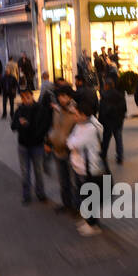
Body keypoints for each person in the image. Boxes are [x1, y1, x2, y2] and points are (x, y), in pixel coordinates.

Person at [69, 95, 105, 236]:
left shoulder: (90, 128)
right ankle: (89, 221)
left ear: (84, 115)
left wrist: (72, 142)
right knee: (86, 196)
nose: (75, 117)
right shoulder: (82, 125)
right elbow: (71, 139)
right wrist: (72, 141)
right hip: (82, 167)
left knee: (90, 197)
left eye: (77, 115)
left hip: (90, 168)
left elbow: (73, 143)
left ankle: (93, 225)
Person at [45, 82, 83, 213]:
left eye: (65, 96)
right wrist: (49, 141)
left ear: (70, 97)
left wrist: (70, 145)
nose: (62, 99)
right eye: (60, 96)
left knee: (74, 182)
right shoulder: (57, 110)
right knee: (63, 181)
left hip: (70, 152)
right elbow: (55, 128)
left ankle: (76, 207)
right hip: (57, 150)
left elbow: (80, 131)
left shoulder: (76, 112)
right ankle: (66, 204)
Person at [12, 83, 49, 204]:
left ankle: (40, 193)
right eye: (23, 97)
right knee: (24, 172)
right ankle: (26, 195)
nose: (25, 100)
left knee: (38, 171)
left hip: (36, 145)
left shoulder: (40, 109)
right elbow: (13, 126)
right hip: (23, 146)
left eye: (27, 97)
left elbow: (43, 127)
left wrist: (27, 126)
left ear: (32, 96)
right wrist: (20, 124)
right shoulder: (20, 110)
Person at [98, 73, 126, 166]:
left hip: (108, 122)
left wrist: (100, 121)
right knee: (118, 139)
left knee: (106, 139)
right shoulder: (119, 95)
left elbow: (102, 110)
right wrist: (121, 118)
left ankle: (103, 154)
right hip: (118, 121)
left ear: (106, 86)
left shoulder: (104, 96)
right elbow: (124, 109)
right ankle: (120, 157)